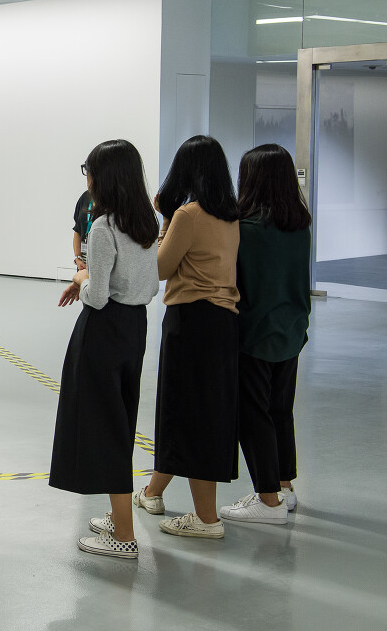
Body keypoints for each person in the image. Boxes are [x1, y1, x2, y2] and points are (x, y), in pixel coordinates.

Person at [51, 141, 159, 559]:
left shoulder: (103, 227)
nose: (88, 178)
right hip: (135, 328)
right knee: (121, 418)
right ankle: (119, 518)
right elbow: (147, 284)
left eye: (89, 170)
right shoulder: (146, 222)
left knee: (101, 425)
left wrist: (80, 280)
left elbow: (96, 297)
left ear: (104, 177)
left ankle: (124, 537)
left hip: (103, 331)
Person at [137, 135, 240, 540]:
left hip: (191, 322)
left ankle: (206, 519)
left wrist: (165, 220)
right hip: (224, 323)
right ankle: (152, 492)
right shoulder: (230, 215)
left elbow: (160, 268)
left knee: (187, 414)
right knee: (196, 412)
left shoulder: (189, 215)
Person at [219, 144, 311, 524]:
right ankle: (284, 487)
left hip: (255, 334)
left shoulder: (246, 229)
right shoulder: (299, 224)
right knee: (279, 410)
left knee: (252, 413)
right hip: (291, 331)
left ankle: (267, 500)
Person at [72, 189, 94, 270]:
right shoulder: (86, 196)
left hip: (101, 265)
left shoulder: (114, 199)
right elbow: (77, 230)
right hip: (83, 264)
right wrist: (78, 258)